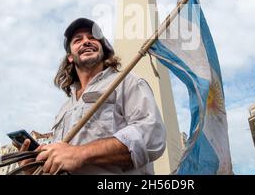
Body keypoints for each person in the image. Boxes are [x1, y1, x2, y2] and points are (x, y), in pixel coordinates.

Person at [17, 18, 166, 174]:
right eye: (78, 40)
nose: (86, 41)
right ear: (70, 57)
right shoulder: (65, 108)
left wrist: (79, 154)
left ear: (103, 49)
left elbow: (152, 136)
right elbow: (61, 160)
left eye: (92, 38)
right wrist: (36, 169)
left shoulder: (127, 82)